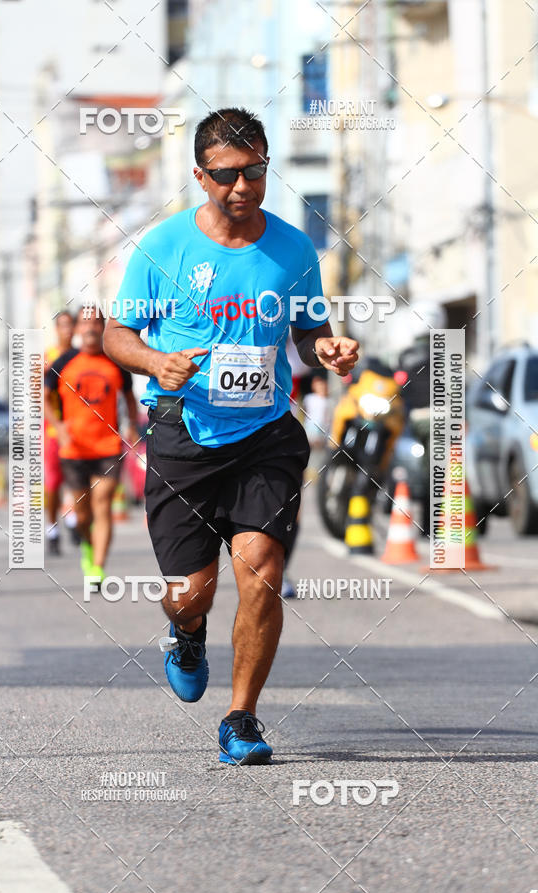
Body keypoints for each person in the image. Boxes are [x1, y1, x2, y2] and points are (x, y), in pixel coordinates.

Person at [104, 107, 358, 765]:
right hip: (184, 434)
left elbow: (307, 327)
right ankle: (186, 633)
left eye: (255, 171)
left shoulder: (294, 248)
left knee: (261, 571)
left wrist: (323, 345)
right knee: (193, 592)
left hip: (266, 434)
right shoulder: (163, 248)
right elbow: (116, 334)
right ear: (200, 175)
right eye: (226, 175)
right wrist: (156, 362)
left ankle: (241, 719)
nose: (242, 187)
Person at [45, 307, 139, 583]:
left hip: (108, 446)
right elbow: (44, 396)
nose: (90, 327)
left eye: (96, 322)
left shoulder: (115, 363)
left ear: (103, 326)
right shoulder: (63, 362)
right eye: (85, 322)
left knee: (103, 504)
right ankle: (87, 545)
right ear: (76, 328)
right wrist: (58, 427)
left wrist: (131, 424)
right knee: (83, 514)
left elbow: (130, 397)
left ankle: (97, 566)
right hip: (74, 449)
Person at [44, 310, 77, 555]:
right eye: (62, 325)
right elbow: (38, 395)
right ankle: (52, 527)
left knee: (77, 479)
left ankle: (74, 520)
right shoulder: (49, 358)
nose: (67, 329)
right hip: (54, 429)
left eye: (70, 325)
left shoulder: (80, 357)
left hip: (79, 427)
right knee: (54, 482)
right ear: (56, 329)